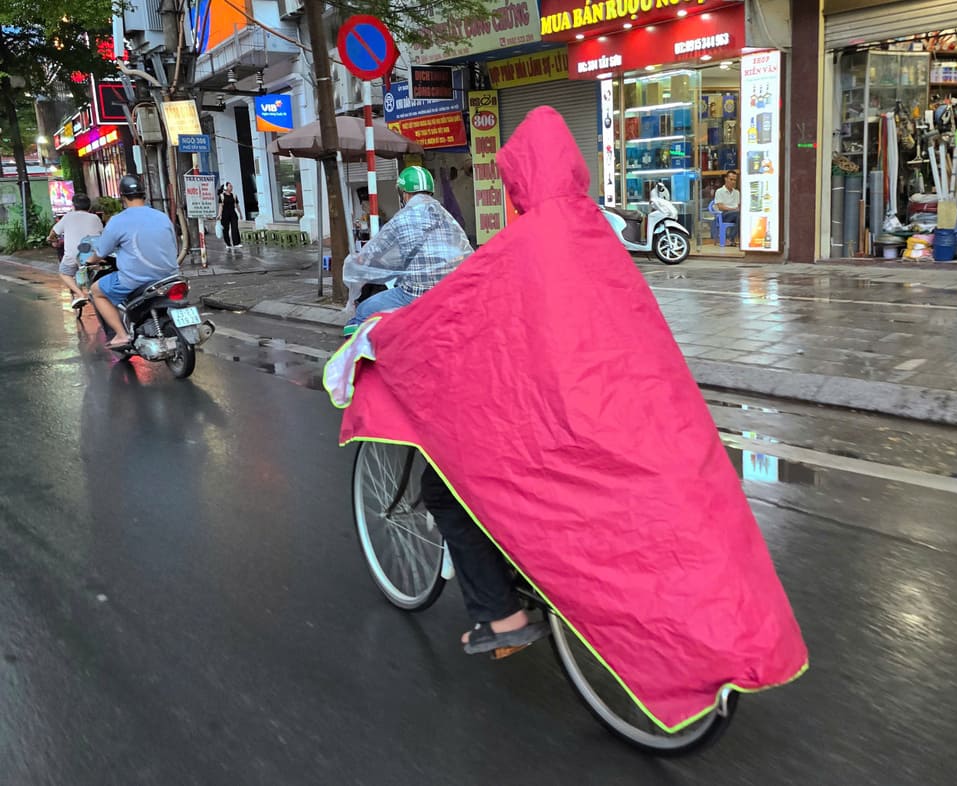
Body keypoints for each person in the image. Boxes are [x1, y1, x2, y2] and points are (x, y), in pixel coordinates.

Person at [325, 107, 807, 729]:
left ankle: (501, 616)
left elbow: (457, 320)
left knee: (448, 492)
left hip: (559, 423)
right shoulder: (598, 233)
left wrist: (389, 338)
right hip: (635, 409)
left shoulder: (522, 245)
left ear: (521, 178)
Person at [343, 165, 473, 330]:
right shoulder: (445, 217)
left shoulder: (401, 219)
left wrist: (356, 262)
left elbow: (371, 254)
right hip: (451, 292)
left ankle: (361, 345)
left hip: (415, 295)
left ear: (404, 194)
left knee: (363, 310)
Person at [87, 174, 180, 350]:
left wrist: (89, 261)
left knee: (96, 291)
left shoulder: (118, 221)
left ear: (122, 197)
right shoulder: (162, 216)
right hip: (170, 276)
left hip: (135, 279)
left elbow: (101, 251)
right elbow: (174, 245)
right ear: (144, 195)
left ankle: (121, 335)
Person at [47, 193, 104, 310]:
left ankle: (80, 294)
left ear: (73, 206)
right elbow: (102, 234)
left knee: (64, 273)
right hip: (93, 255)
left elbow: (54, 232)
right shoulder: (95, 218)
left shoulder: (68, 217)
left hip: (75, 255)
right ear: (89, 206)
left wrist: (50, 238)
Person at [713, 169, 740, 245]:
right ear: (726, 179)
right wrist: (733, 209)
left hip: (736, 214)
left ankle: (730, 239)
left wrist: (737, 209)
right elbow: (721, 207)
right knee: (739, 215)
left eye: (735, 180)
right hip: (724, 214)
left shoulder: (737, 192)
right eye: (731, 179)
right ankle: (730, 239)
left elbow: (739, 205)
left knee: (741, 216)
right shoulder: (719, 191)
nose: (733, 182)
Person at [217, 181, 243, 251]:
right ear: (226, 188)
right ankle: (228, 244)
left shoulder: (234, 195)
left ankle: (236, 243)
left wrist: (240, 214)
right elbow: (220, 206)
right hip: (225, 215)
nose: (231, 187)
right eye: (230, 186)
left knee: (235, 228)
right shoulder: (221, 196)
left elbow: (237, 205)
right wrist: (219, 215)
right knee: (226, 230)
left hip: (233, 214)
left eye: (231, 186)